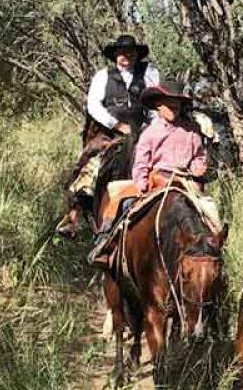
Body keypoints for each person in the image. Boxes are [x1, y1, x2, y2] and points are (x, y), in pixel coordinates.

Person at [87, 79, 220, 267]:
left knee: (209, 210)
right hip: (155, 179)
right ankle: (107, 242)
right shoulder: (150, 132)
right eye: (169, 104)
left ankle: (213, 251)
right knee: (122, 201)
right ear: (159, 105)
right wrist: (141, 182)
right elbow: (141, 163)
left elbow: (199, 156)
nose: (173, 108)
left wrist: (198, 167)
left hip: (185, 182)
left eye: (177, 104)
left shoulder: (192, 132)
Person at [55, 34, 162, 237]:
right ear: (115, 55)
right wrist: (117, 124)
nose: (125, 56)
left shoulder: (150, 73)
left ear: (136, 54)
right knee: (90, 164)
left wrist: (152, 126)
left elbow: (157, 102)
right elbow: (94, 106)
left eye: (130, 52)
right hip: (110, 134)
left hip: (145, 131)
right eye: (121, 53)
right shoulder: (103, 76)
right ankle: (74, 217)